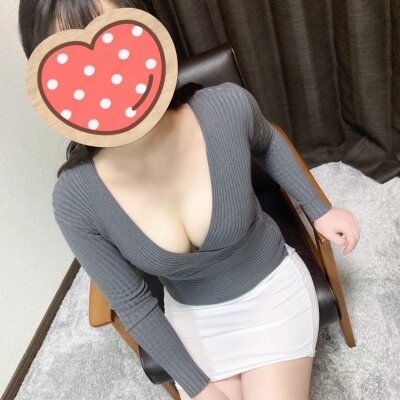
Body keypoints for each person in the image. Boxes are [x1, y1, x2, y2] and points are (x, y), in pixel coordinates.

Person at [18, 1, 361, 399]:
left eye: (115, 40)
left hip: (272, 291)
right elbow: (134, 304)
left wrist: (319, 209)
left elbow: (267, 141)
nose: (105, 76)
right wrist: (200, 389)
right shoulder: (75, 197)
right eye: (74, 61)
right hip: (194, 321)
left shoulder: (225, 107)